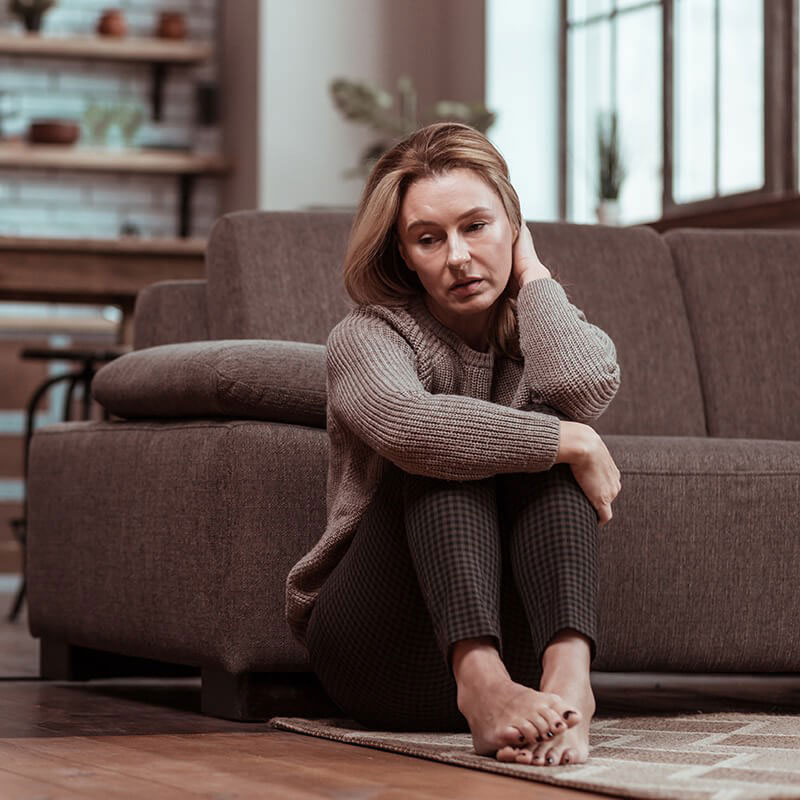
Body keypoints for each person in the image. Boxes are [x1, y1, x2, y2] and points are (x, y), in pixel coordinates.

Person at [285, 121, 622, 767]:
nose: (459, 257)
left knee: (550, 439)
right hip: (381, 650)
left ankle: (570, 682)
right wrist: (566, 440)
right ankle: (480, 684)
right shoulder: (368, 336)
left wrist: (534, 274)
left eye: (477, 226)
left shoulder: (539, 331)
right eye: (429, 239)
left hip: (524, 658)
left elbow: (585, 387)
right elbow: (411, 428)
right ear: (402, 254)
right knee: (450, 445)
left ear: (513, 225)